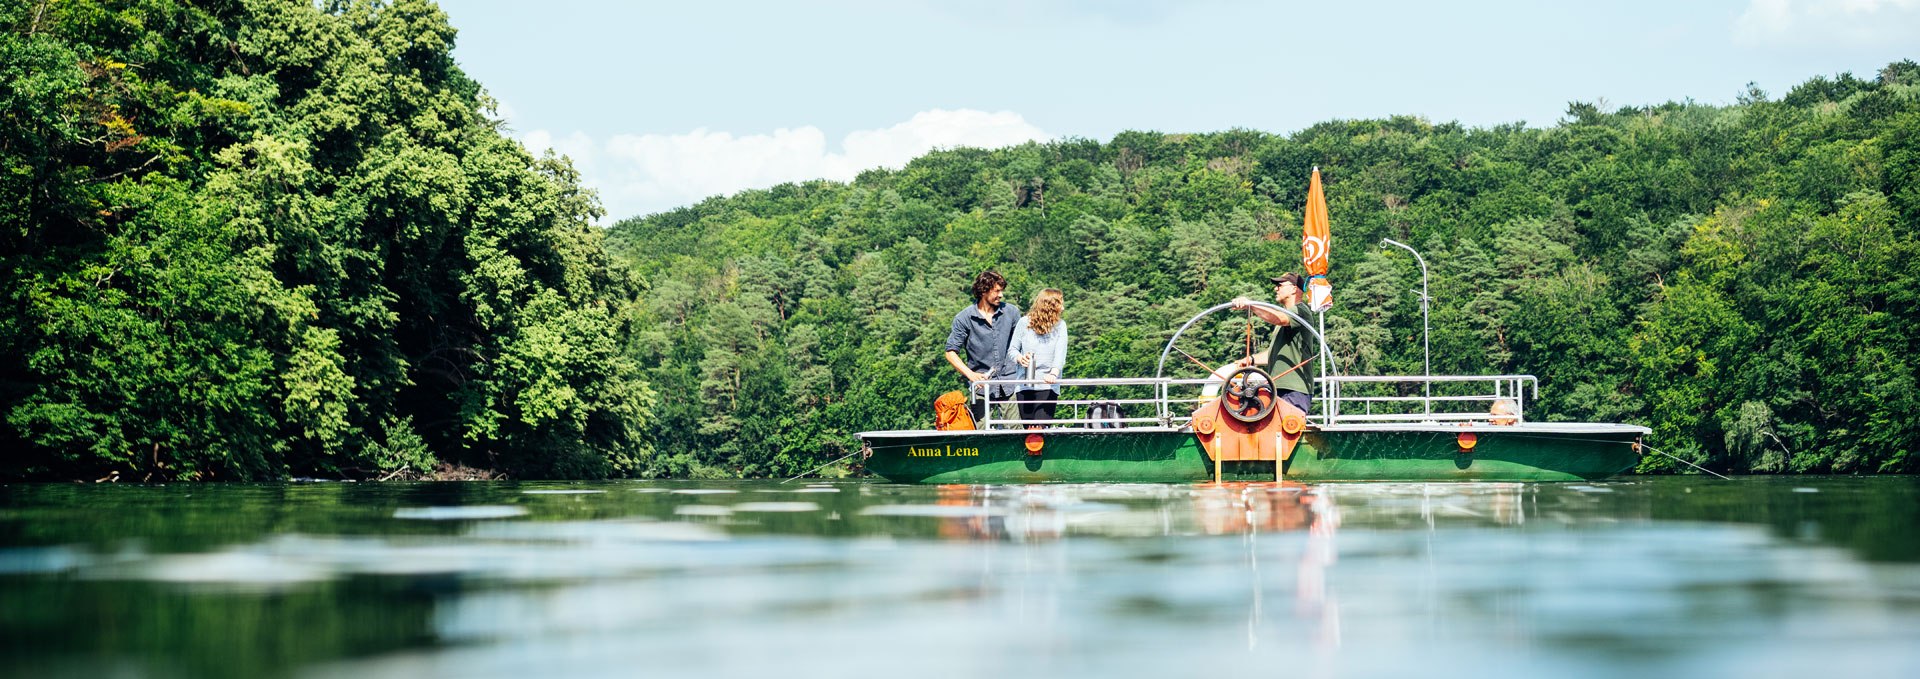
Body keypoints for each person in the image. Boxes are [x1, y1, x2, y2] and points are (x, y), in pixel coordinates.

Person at [1231, 272, 1315, 415]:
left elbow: (1279, 319)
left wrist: (1251, 306)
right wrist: (1251, 359)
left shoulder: (1300, 311)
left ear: (1294, 289)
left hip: (1293, 391)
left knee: (1286, 432)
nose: (1275, 289)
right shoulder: (1286, 317)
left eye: (1279, 285)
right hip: (1278, 389)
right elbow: (1275, 353)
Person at [944, 270, 1021, 425]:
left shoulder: (1012, 312)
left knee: (1016, 433)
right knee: (980, 433)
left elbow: (1022, 344)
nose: (1001, 295)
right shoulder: (963, 318)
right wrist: (970, 375)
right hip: (980, 385)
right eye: (997, 291)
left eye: (1002, 291)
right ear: (984, 290)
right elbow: (950, 352)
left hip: (1010, 381)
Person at [1008, 288, 1067, 429]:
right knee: (1029, 429)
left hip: (1048, 384)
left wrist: (1054, 373)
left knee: (1039, 429)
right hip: (1025, 383)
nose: (1063, 308)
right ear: (1050, 305)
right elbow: (1012, 350)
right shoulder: (1023, 323)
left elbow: (1060, 354)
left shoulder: (1060, 326)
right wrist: (1020, 358)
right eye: (1060, 303)